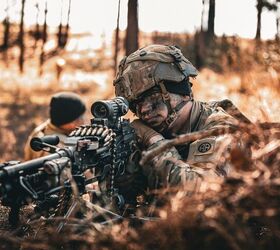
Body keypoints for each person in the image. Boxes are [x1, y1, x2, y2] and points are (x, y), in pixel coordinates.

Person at [113, 44, 250, 192]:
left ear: (183, 93)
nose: (144, 110)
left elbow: (203, 191)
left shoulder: (221, 126)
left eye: (153, 99)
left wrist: (155, 143)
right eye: (136, 105)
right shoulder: (144, 136)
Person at [24, 91, 86, 160]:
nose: (83, 121)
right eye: (80, 118)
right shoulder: (53, 149)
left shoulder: (44, 128)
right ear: (70, 123)